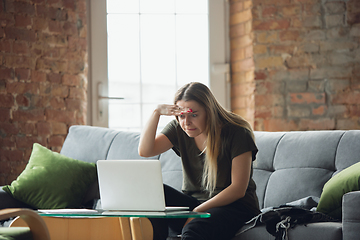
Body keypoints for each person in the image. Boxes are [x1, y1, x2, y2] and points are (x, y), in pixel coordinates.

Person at [138, 82, 260, 240]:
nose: (186, 122)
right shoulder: (179, 128)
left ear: (209, 112)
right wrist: (156, 112)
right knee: (151, 191)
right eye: (181, 115)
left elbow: (238, 189)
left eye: (194, 114)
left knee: (194, 228)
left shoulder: (237, 133)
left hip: (235, 207)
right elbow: (145, 150)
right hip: (196, 203)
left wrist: (197, 212)